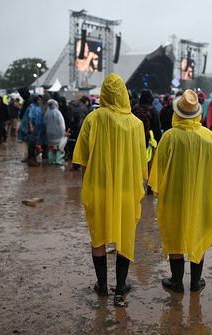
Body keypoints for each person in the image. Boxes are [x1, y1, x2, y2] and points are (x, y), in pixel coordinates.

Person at [72, 73, 147, 307]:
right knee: (124, 237)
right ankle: (121, 286)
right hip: (126, 190)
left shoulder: (93, 119)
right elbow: (140, 162)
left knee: (98, 237)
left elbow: (83, 160)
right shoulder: (136, 124)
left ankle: (102, 286)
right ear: (124, 94)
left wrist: (87, 184)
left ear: (103, 93)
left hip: (97, 188)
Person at [148, 89, 212, 293]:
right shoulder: (209, 137)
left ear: (178, 113)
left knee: (175, 234)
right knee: (198, 233)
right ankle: (195, 282)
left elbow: (158, 169)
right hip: (202, 196)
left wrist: (157, 191)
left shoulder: (170, 137)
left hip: (173, 196)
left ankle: (176, 281)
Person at [44, 99, 67, 165]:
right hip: (58, 133)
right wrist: (63, 131)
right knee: (58, 147)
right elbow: (61, 123)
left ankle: (50, 160)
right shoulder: (57, 113)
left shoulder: (47, 112)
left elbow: (45, 122)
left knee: (50, 147)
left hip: (49, 132)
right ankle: (57, 160)